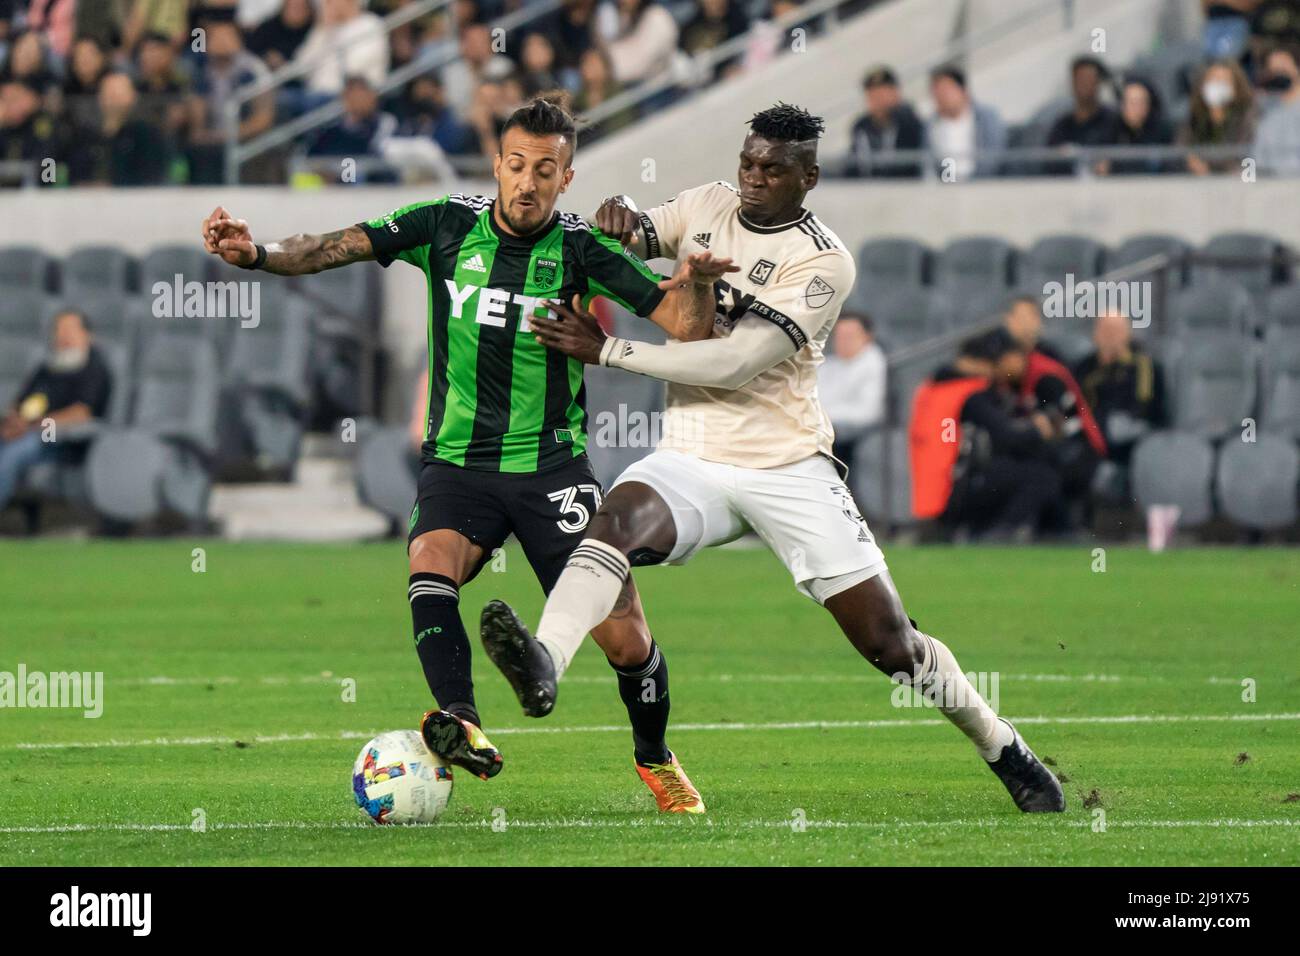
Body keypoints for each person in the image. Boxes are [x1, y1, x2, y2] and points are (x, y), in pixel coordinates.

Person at [480, 103, 1065, 815]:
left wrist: (605, 349)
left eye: (774, 170)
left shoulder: (824, 263)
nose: (754, 180)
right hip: (693, 451)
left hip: (787, 463)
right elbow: (636, 230)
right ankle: (544, 662)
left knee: (890, 644)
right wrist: (622, 213)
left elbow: (733, 362)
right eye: (748, 164)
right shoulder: (705, 204)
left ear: (808, 177)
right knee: (613, 523)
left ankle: (1001, 744)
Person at [201, 95, 734, 812]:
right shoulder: (445, 225)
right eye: (516, 165)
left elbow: (684, 327)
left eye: (546, 169)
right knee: (429, 563)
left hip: (551, 469)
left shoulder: (580, 248)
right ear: (497, 165)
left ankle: (655, 759)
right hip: (458, 463)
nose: (528, 182)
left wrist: (696, 281)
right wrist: (257, 253)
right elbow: (331, 245)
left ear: (566, 177)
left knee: (625, 637)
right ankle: (465, 724)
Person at [911, 328, 1060, 541]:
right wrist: (1038, 429)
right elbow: (1008, 437)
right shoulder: (971, 393)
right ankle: (1000, 533)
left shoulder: (931, 388)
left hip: (930, 496)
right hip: (955, 493)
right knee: (1043, 475)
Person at [1004, 295, 1107, 525]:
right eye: (1019, 318)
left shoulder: (1047, 365)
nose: (1025, 326)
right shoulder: (1006, 363)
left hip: (1077, 447)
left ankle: (1012, 531)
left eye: (1030, 318)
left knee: (1039, 471)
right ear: (1007, 321)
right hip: (1050, 448)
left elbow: (1058, 423)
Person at [0, 310, 112, 511]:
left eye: (70, 329)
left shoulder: (94, 368)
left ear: (87, 335)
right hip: (27, 431)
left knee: (13, 453)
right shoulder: (46, 367)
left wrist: (32, 426)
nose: (64, 335)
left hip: (61, 440)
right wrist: (13, 422)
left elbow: (81, 413)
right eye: (58, 330)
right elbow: (19, 403)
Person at [185, 17, 273, 184]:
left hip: (245, 136)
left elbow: (263, 118)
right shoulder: (201, 69)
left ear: (239, 41)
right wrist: (200, 130)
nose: (221, 43)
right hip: (212, 138)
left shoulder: (252, 69)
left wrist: (228, 136)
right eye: (216, 38)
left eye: (227, 37)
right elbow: (196, 114)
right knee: (197, 149)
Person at [1074, 310, 1167, 468]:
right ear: (1095, 334)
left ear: (1128, 334)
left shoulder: (1146, 367)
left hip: (1131, 440)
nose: (1110, 336)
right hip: (1089, 436)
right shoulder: (1083, 368)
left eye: (1116, 330)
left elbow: (1149, 410)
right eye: (1105, 330)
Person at [67, 70, 171, 186]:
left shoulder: (147, 135)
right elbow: (74, 174)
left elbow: (151, 177)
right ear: (99, 97)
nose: (113, 97)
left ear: (133, 96)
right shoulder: (85, 137)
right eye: (108, 91)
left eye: (119, 92)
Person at [820, 312, 886, 466]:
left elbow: (868, 413)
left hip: (852, 439)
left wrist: (824, 416)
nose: (843, 341)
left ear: (867, 337)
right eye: (839, 336)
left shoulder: (874, 363)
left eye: (850, 336)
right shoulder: (826, 365)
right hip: (821, 431)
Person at [926, 64, 1006, 180]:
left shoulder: (986, 118)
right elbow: (932, 163)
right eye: (936, 91)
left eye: (946, 90)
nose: (941, 97)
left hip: (983, 186)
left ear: (962, 90)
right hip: (948, 188)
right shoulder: (932, 125)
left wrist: (974, 183)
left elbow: (994, 156)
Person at [847, 65, 926, 178]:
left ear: (896, 93)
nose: (878, 100)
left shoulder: (911, 125)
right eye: (873, 95)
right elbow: (854, 166)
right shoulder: (861, 127)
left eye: (882, 94)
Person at [1179, 58, 1256, 174]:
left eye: (1223, 81)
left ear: (1236, 87)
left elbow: (1245, 156)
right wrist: (1191, 161)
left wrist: (1210, 170)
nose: (1217, 85)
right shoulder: (1194, 117)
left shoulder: (1247, 118)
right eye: (1213, 79)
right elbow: (1178, 150)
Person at [1100, 76, 1175, 175]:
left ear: (1149, 105)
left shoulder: (1163, 133)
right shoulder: (1110, 132)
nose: (1136, 108)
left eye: (1140, 102)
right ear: (1122, 105)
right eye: (1131, 103)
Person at [1252, 46, 1300, 176]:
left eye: (1283, 67)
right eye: (1274, 69)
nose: (1279, 72)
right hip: (1268, 184)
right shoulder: (1262, 107)